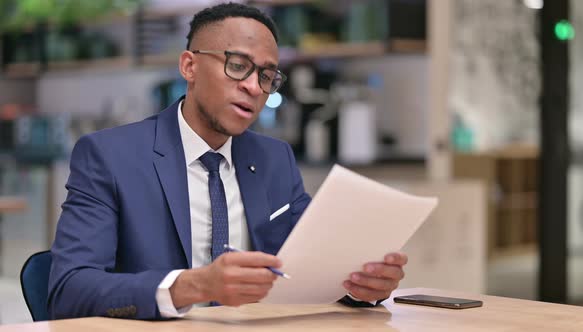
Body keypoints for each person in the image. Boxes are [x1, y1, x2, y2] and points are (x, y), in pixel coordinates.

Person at [48, 2, 408, 320]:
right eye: (238, 66)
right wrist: (193, 286)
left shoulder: (274, 158)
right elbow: (69, 290)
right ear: (189, 66)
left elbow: (307, 270)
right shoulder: (110, 155)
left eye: (267, 76)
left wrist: (359, 287)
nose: (254, 87)